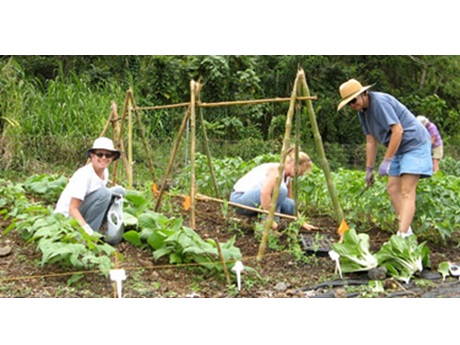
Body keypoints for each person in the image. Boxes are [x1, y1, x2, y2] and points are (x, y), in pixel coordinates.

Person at [337, 79, 433, 238]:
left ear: (363, 94)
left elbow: (398, 131)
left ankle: (401, 235)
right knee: (392, 188)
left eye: (353, 100)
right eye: (349, 103)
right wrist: (369, 169)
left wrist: (387, 160)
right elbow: (370, 141)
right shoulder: (362, 112)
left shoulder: (379, 102)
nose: (352, 105)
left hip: (414, 144)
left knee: (406, 191)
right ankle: (407, 233)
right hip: (399, 148)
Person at [229, 147, 314, 231]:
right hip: (239, 199)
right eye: (301, 171)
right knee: (280, 190)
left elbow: (290, 205)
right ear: (294, 164)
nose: (301, 174)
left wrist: (302, 222)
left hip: (256, 201)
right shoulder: (276, 170)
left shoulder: (287, 179)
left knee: (289, 203)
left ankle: (269, 224)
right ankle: (267, 226)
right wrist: (270, 220)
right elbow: (264, 193)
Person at [55, 137, 125, 237]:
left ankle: (105, 225)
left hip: (84, 207)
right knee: (105, 194)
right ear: (92, 155)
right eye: (99, 154)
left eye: (108, 155)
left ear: (112, 157)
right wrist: (87, 229)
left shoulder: (104, 171)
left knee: (119, 191)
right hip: (68, 217)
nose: (104, 158)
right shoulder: (84, 175)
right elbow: (72, 208)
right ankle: (89, 235)